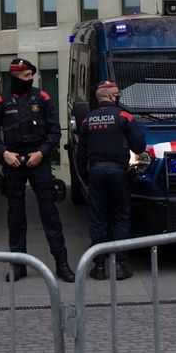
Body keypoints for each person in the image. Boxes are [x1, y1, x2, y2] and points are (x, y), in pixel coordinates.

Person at [0, 57, 75, 283]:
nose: (30, 78)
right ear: (14, 76)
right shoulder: (0, 102)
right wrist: (4, 153)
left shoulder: (42, 98)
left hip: (38, 162)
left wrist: (42, 153)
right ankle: (18, 266)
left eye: (31, 75)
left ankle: (62, 264)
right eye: (25, 75)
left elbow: (55, 132)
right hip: (13, 163)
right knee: (15, 217)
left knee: (50, 214)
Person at [76, 79, 148, 280]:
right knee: (120, 217)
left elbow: (80, 155)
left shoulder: (87, 120)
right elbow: (139, 146)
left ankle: (99, 267)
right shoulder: (124, 116)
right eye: (117, 95)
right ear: (110, 96)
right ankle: (119, 265)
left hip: (96, 173)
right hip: (118, 173)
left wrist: (86, 177)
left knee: (98, 219)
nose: (118, 98)